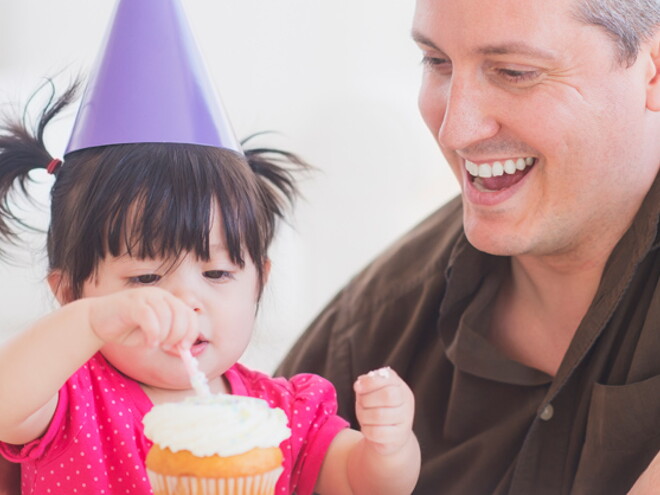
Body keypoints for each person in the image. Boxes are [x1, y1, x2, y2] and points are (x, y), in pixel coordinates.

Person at [0, 1, 421, 494]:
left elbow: (358, 484)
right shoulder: (69, 399)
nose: (185, 301)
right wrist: (92, 324)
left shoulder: (277, 417)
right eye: (143, 279)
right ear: (71, 293)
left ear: (259, 280)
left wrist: (389, 448)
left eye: (218, 274)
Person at [277, 0, 660, 493]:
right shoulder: (377, 322)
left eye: (514, 72)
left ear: (652, 72)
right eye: (436, 62)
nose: (454, 129)